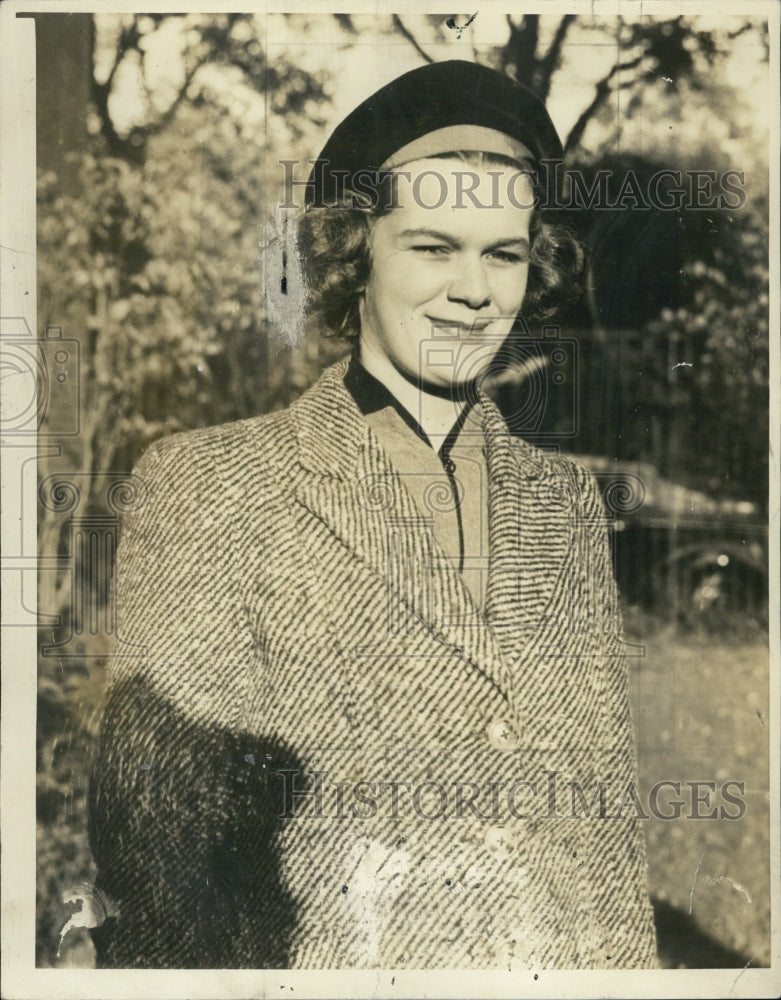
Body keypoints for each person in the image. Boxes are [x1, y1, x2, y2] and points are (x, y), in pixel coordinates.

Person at [88, 60, 658, 969]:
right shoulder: (210, 485)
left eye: (502, 253)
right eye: (433, 247)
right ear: (356, 254)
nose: (473, 291)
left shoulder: (566, 504)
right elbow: (170, 876)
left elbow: (605, 844)